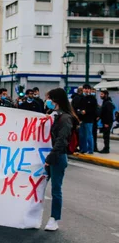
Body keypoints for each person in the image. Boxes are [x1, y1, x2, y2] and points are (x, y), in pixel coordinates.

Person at [44, 88, 80, 231]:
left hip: (57, 157)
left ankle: (54, 219)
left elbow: (62, 140)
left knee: (55, 189)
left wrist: (50, 158)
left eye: (48, 98)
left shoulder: (65, 118)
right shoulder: (53, 115)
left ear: (55, 100)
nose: (47, 101)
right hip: (50, 156)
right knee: (38, 187)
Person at [75, 84, 98, 154]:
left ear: (90, 90)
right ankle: (83, 149)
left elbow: (94, 109)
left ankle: (90, 149)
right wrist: (80, 114)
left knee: (89, 135)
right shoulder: (81, 98)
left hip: (89, 120)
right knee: (82, 135)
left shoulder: (93, 99)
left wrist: (86, 111)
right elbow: (78, 108)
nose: (86, 90)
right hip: (82, 120)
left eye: (88, 89)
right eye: (85, 89)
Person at [99, 90, 115, 154]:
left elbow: (108, 114)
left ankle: (106, 149)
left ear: (106, 95)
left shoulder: (107, 103)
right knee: (105, 136)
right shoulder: (106, 102)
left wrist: (106, 123)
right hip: (106, 122)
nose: (100, 96)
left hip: (107, 122)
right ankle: (106, 148)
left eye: (102, 94)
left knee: (106, 136)